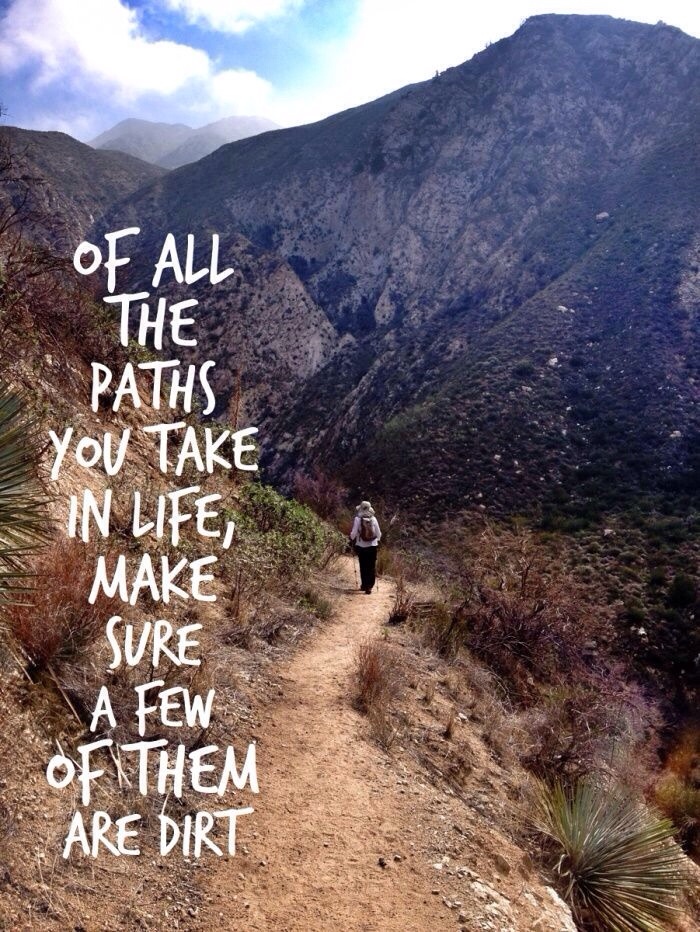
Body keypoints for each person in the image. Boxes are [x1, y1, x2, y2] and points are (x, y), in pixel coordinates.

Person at [349, 500, 381, 594]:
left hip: (361, 546)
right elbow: (379, 534)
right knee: (371, 566)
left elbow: (354, 533)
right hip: (373, 546)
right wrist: (376, 540)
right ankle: (369, 586)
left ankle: (364, 585)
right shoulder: (374, 519)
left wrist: (351, 538)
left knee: (363, 566)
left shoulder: (357, 519)